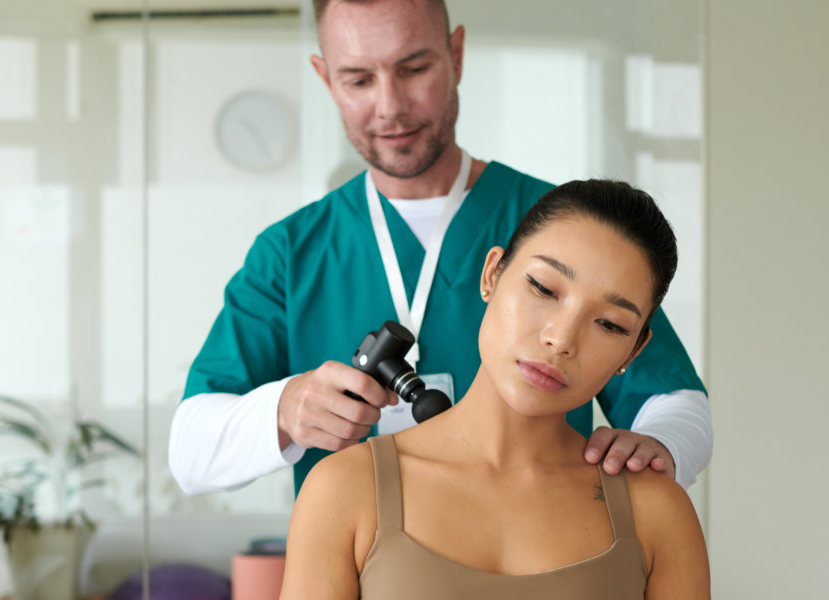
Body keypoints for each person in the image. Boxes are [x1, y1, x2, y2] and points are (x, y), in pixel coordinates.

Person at [168, 0, 712, 497]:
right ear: (325, 78)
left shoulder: (559, 227)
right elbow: (189, 453)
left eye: (414, 69)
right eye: (358, 79)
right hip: (353, 557)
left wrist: (656, 448)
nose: (390, 107)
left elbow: (673, 399)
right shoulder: (290, 252)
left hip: (544, 543)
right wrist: (284, 411)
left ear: (456, 55)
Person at [281, 180, 710, 599]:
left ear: (634, 351)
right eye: (543, 288)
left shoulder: (656, 511)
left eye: (610, 324)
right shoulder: (345, 489)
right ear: (492, 274)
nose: (561, 339)